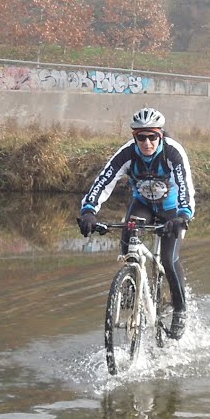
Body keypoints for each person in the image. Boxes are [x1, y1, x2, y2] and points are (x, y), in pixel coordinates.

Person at [78, 106, 196, 339]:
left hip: (172, 210)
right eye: (141, 137)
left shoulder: (172, 152)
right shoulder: (127, 154)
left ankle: (180, 310)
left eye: (152, 136)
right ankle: (131, 284)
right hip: (143, 204)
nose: (147, 142)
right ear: (134, 137)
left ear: (160, 135)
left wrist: (184, 215)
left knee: (169, 260)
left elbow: (185, 186)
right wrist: (89, 211)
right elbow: (104, 180)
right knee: (128, 241)